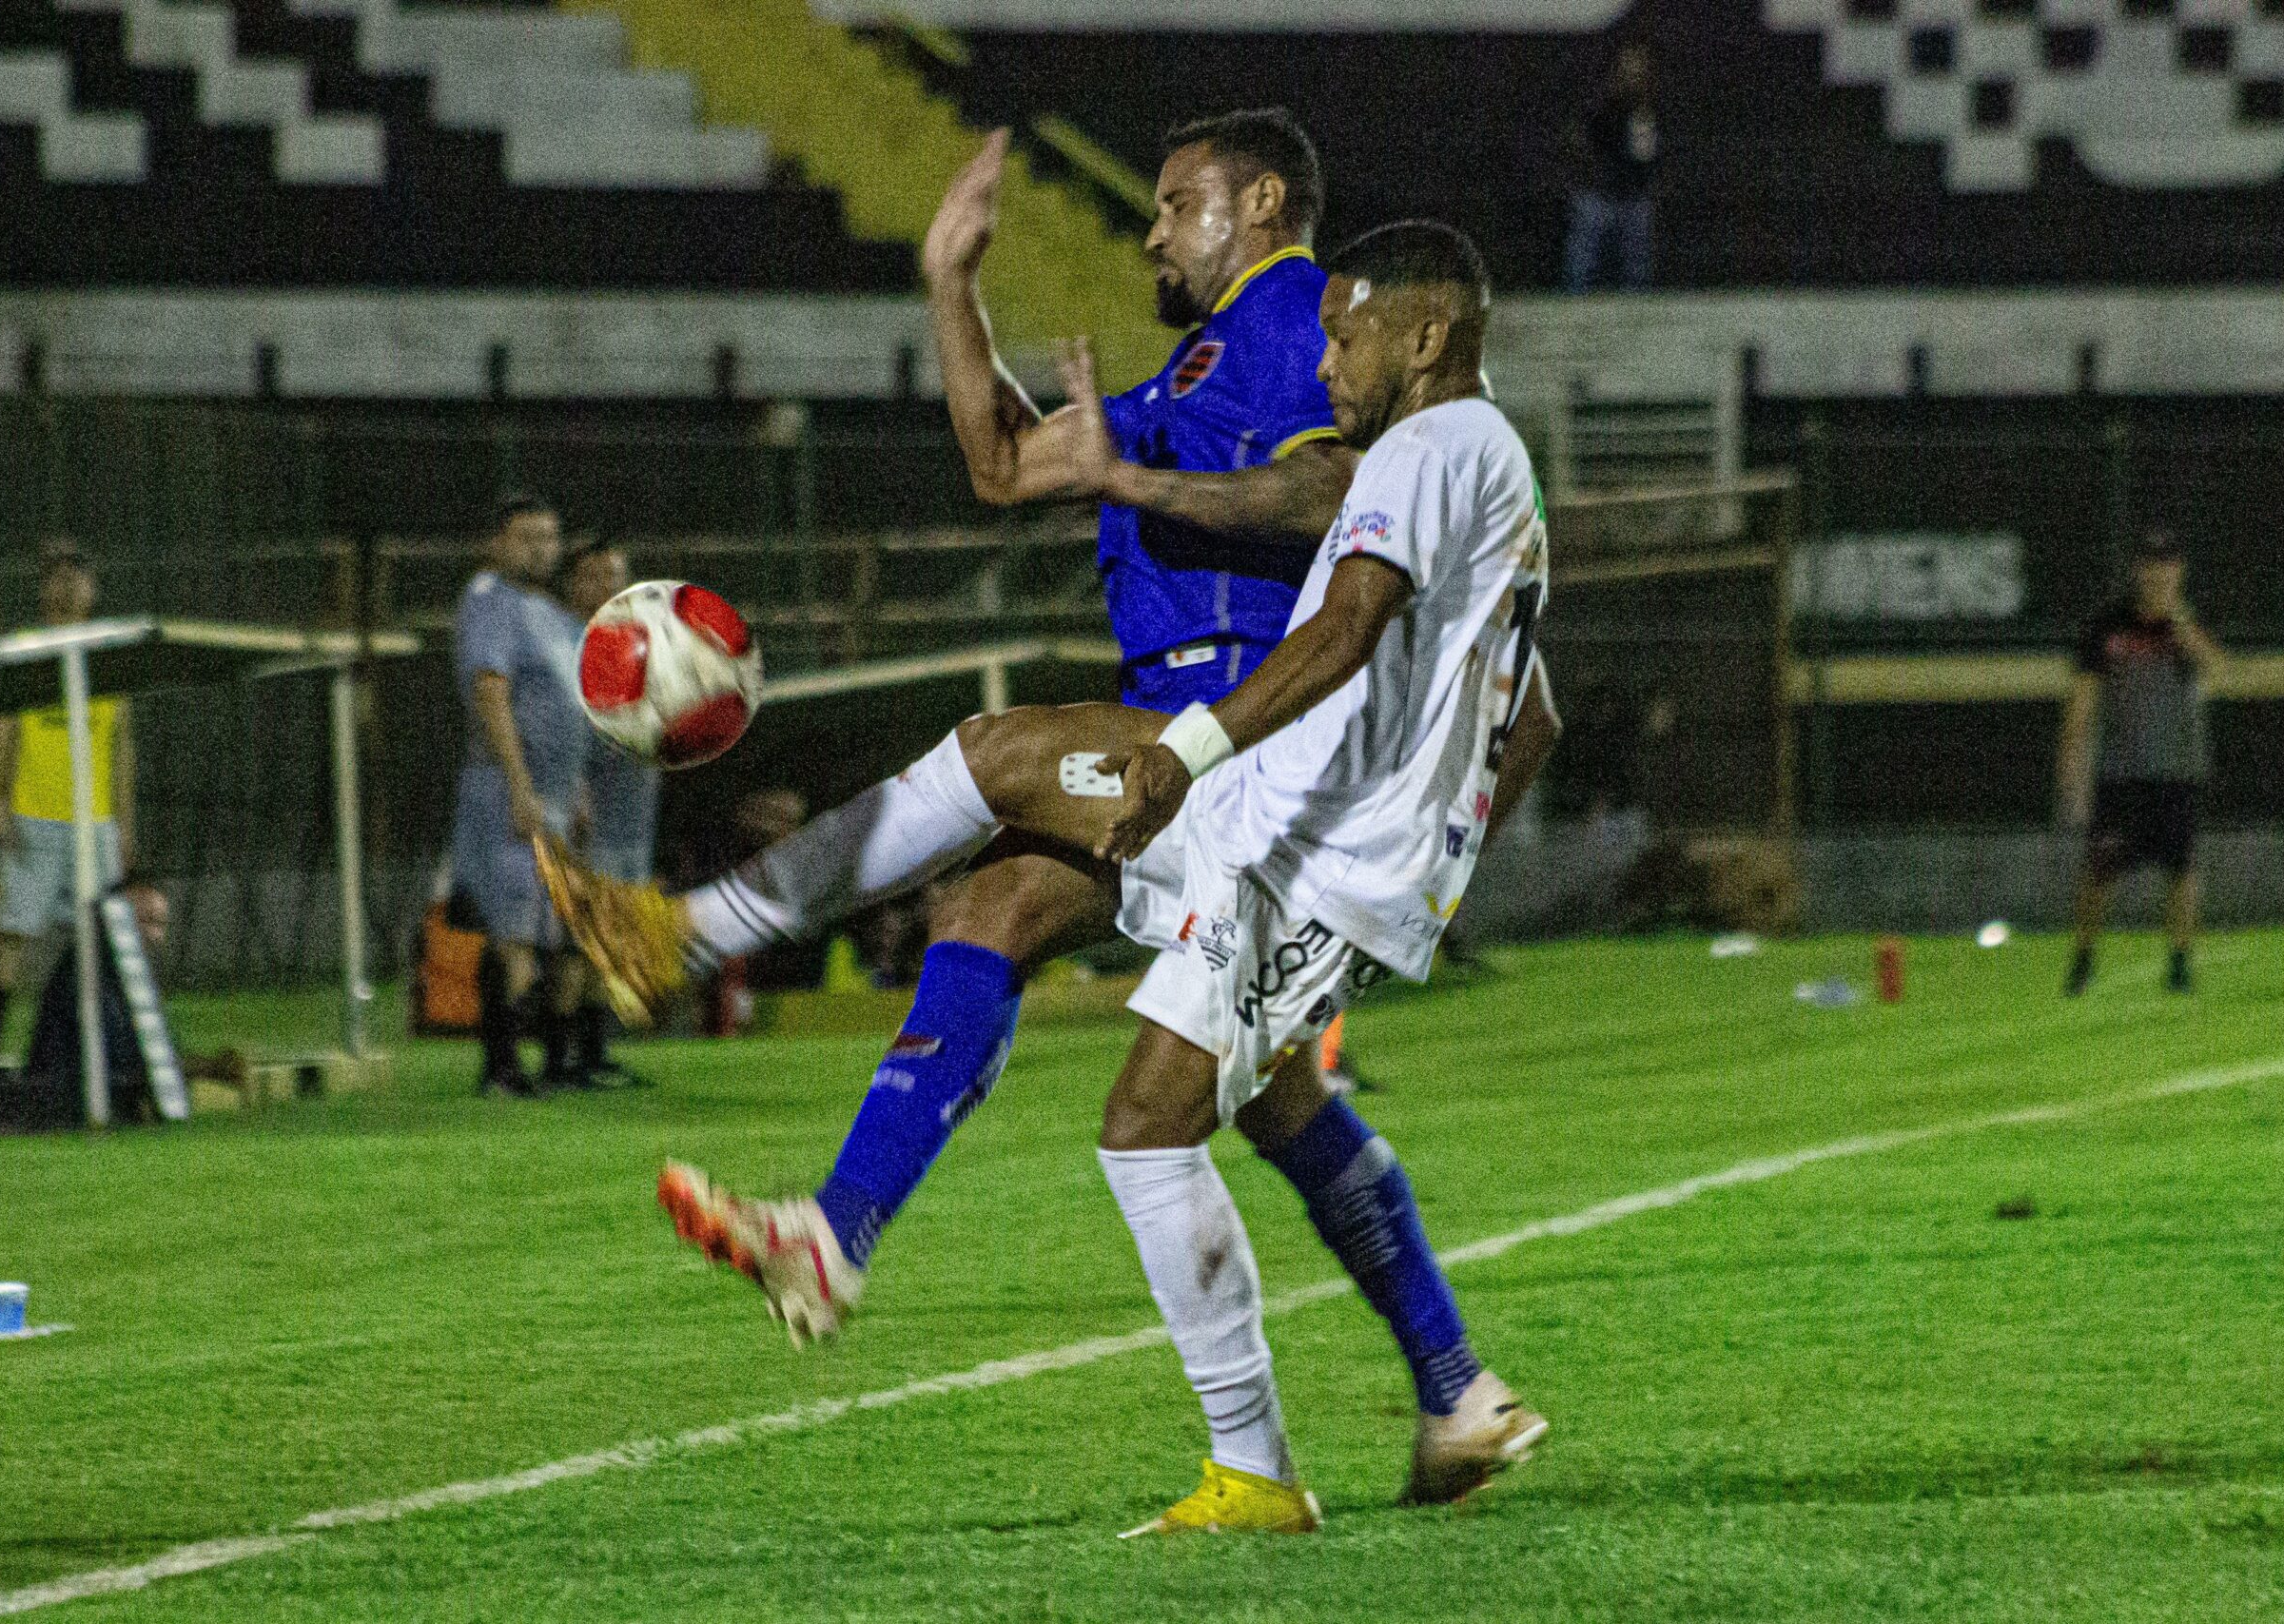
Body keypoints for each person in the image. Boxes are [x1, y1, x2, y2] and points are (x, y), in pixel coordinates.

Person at [545, 222, 1563, 1529]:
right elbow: (1530, 715)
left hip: (1287, 822)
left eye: (1351, 336)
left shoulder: (1420, 444)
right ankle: (1447, 1386)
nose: (1328, 361)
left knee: (1118, 1050)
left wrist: (1208, 752)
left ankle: (686, 941)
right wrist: (1433, 866)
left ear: (1422, 336)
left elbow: (1348, 616)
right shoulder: (1501, 476)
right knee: (1116, 981)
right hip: (1302, 829)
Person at [673, 110, 1362, 1280]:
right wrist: (951, 285)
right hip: (1183, 763)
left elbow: (1326, 490)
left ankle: (690, 932)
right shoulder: (1195, 367)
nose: (1151, 234)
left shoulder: (1299, 316)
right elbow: (1004, 464)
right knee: (994, 924)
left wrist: (1131, 478)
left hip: (1249, 734)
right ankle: (834, 1238)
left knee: (996, 752)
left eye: (1173, 205)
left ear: (1259, 206)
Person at [449, 494, 591, 1095]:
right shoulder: (489, 600)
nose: (540, 548)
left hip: (556, 796)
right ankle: (501, 1068)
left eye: (549, 537)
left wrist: (576, 783)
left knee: (558, 934)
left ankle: (556, 1064)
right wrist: (520, 784)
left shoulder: (553, 615)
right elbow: (491, 690)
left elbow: (567, 709)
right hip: (511, 796)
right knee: (514, 936)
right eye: (526, 536)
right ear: (497, 544)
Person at [2057, 530, 2222, 995]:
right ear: (2138, 569)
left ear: (2179, 570)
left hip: (2177, 767)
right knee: (2100, 869)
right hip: (2119, 769)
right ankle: (2083, 959)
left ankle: (2180, 962)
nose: (2158, 573)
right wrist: (2072, 769)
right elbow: (2083, 698)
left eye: (2167, 564)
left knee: (2181, 868)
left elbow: (2216, 668)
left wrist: (2179, 620)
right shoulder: (2109, 624)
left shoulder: (2186, 623)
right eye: (2150, 564)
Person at [0, 540, 135, 1036]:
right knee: (13, 934)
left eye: (76, 576)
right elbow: (2, 727)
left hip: (95, 824)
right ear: (43, 589)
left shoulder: (110, 653)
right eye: (56, 576)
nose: (66, 586)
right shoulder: (26, 648)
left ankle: (98, 1039)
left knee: (105, 938)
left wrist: (125, 826)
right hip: (34, 818)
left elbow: (120, 747)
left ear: (92, 589)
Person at [561, 538, 657, 1086]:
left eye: (616, 576)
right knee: (581, 936)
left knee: (613, 935)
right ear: (575, 584)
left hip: (632, 812)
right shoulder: (566, 644)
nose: (607, 588)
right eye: (595, 577)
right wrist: (571, 786)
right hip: (586, 814)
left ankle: (594, 1055)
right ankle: (565, 1058)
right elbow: (558, 726)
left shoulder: (635, 641)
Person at [1562, 41, 1659, 293]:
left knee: (1636, 268)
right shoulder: (1600, 102)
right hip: (1597, 193)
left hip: (1633, 196)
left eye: (1639, 73)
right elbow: (1578, 137)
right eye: (1628, 71)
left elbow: (1647, 153)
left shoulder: (1647, 107)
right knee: (1581, 267)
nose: (1633, 78)